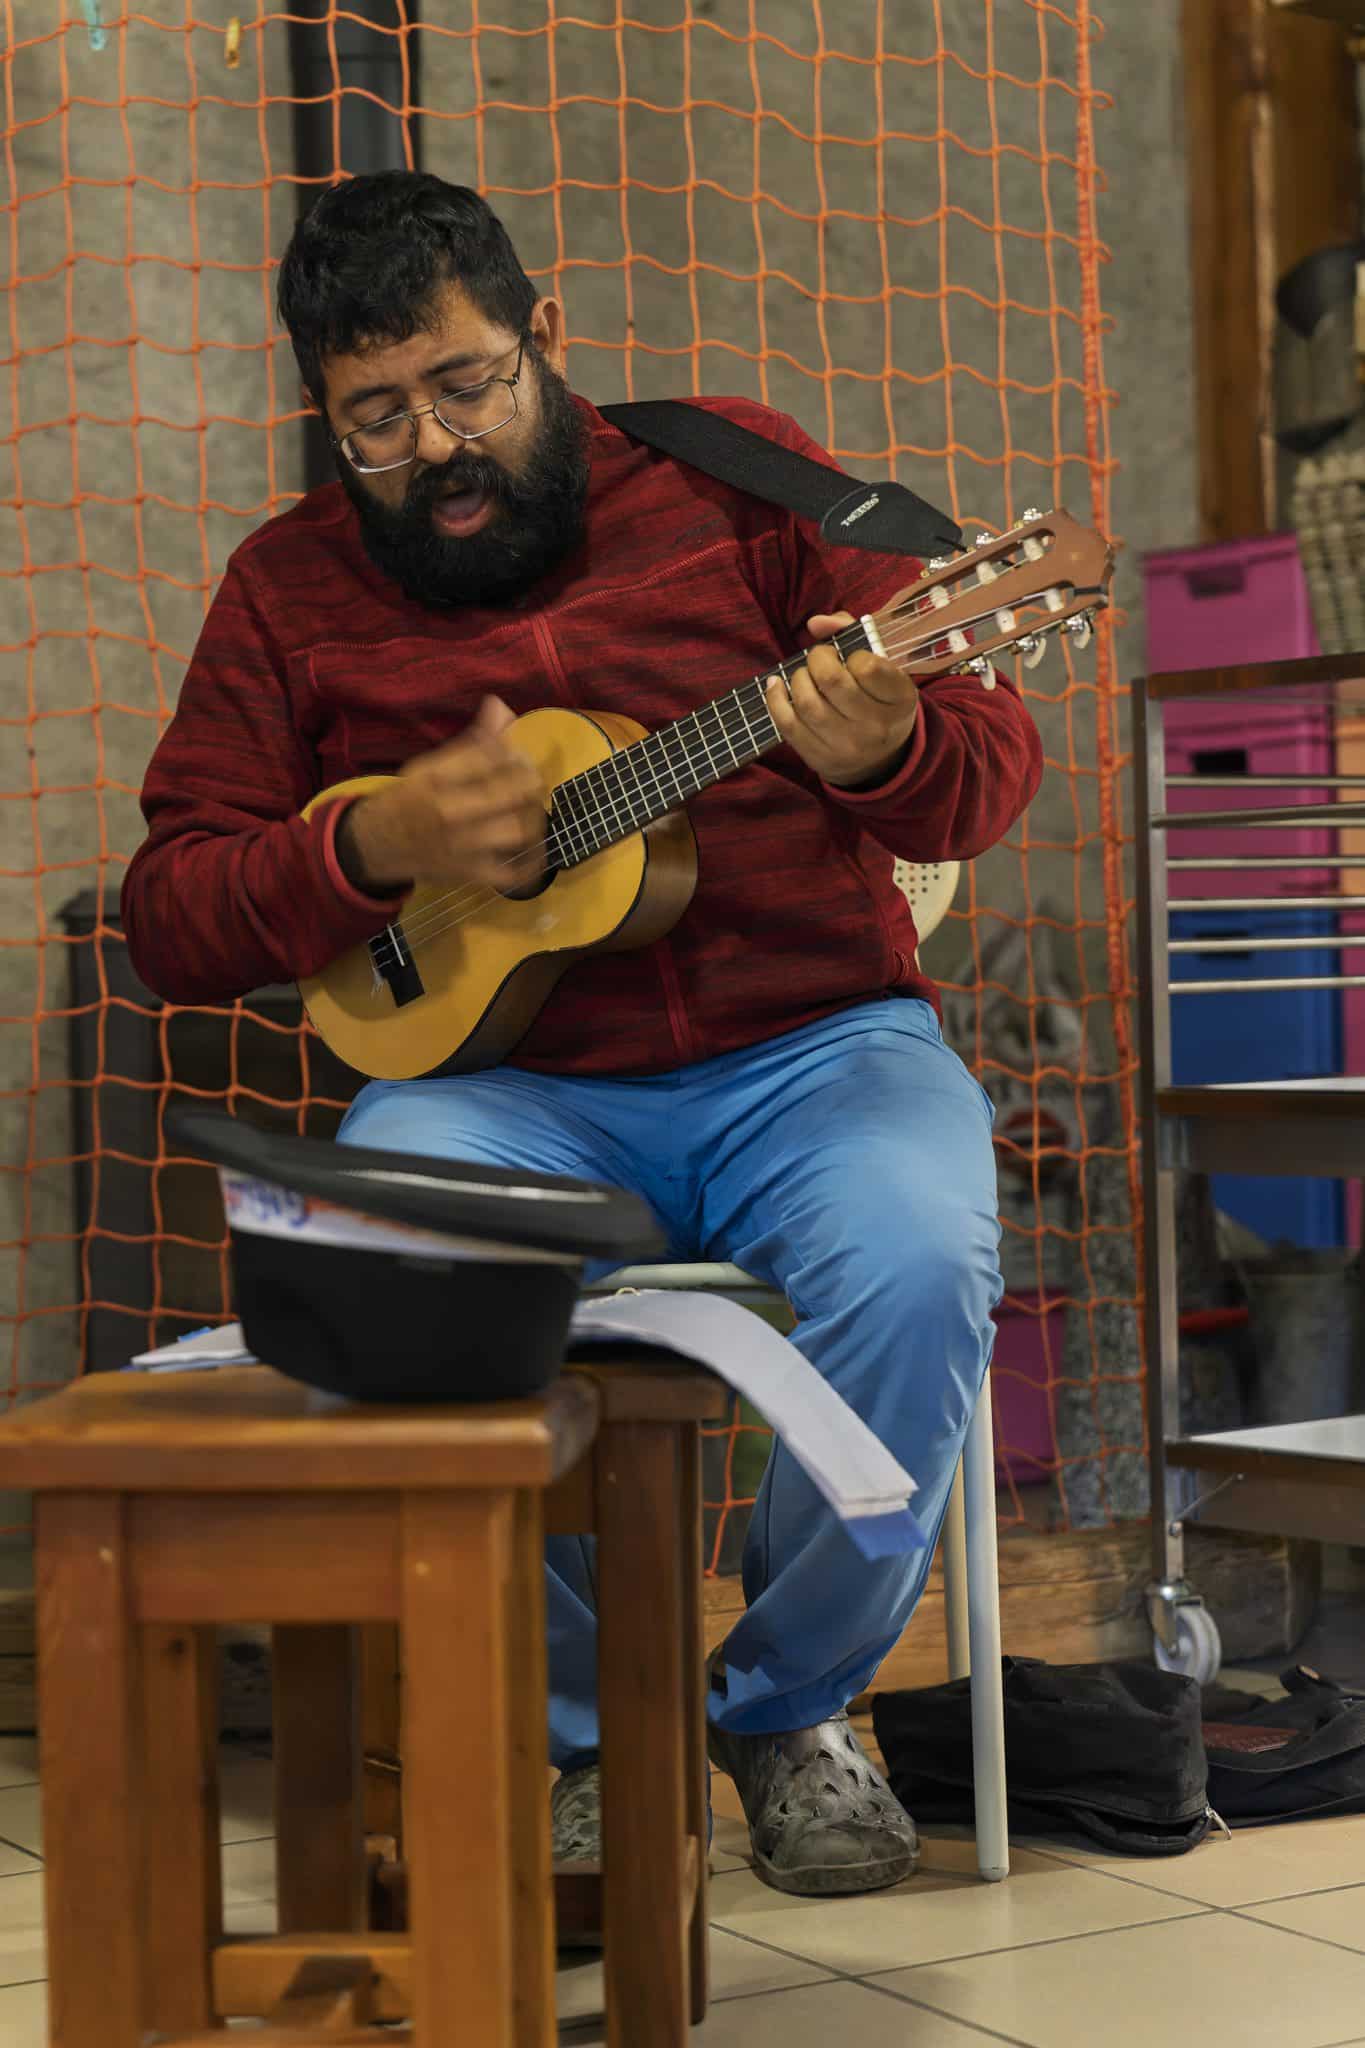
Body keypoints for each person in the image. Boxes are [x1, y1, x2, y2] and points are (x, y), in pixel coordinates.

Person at [122, 171, 1043, 1899]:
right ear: (322, 413)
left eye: (464, 385)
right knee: (385, 1258)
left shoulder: (745, 482)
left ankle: (787, 1710)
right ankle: (585, 1734)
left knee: (921, 1260)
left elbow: (985, 772)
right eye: (374, 420)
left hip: (813, 1049)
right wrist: (370, 848)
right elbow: (170, 911)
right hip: (503, 1088)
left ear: (543, 334)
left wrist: (880, 750)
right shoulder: (287, 585)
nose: (434, 448)